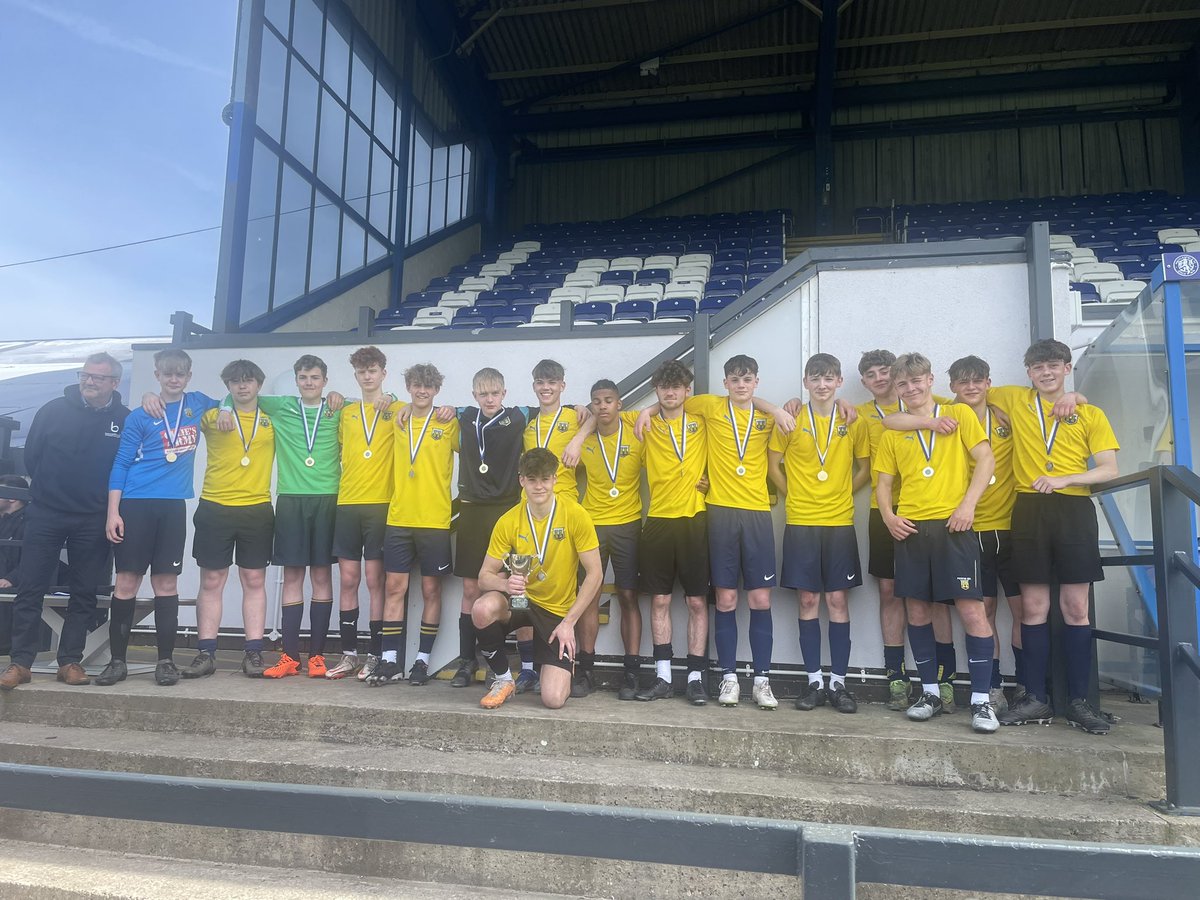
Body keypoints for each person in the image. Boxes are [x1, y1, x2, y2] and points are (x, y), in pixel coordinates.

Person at [637, 354, 795, 710]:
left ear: (756, 382)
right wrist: (646, 411)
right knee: (722, 600)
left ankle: (762, 680)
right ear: (724, 383)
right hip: (718, 513)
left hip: (755, 514)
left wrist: (780, 408)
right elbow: (666, 400)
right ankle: (726, 677)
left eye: (748, 379)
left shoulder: (769, 418)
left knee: (760, 600)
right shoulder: (706, 407)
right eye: (735, 379)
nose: (741, 385)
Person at [989, 340, 1119, 734]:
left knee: (1076, 607)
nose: (1045, 373)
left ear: (1066, 368)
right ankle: (1035, 698)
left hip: (1074, 509)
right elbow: (965, 390)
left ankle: (1079, 701)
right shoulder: (1014, 399)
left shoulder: (1089, 413)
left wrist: (1067, 478)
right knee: (1033, 607)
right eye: (1037, 367)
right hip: (1028, 509)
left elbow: (1109, 469)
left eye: (1053, 366)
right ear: (1028, 372)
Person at [875, 353, 999, 734]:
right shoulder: (893, 430)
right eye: (902, 384)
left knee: (972, 611)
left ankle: (981, 702)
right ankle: (929, 692)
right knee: (916, 611)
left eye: (916, 381)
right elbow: (883, 483)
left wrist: (967, 505)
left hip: (954, 527)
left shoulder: (959, 415)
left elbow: (986, 459)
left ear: (930, 380)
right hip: (912, 529)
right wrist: (889, 517)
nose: (911, 389)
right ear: (896, 389)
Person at [1, 353, 129, 691]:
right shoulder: (52, 410)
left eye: (98, 377)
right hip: (47, 513)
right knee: (31, 588)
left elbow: (126, 467)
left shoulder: (125, 419)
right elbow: (32, 456)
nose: (89, 381)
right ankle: (20, 662)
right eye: (85, 375)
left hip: (93, 518)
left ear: (114, 383)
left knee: (84, 592)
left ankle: (70, 661)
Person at [103, 348, 218, 687]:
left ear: (188, 376)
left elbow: (230, 401)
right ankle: (117, 661)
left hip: (172, 506)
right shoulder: (139, 415)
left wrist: (225, 410)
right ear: (157, 375)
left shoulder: (197, 403)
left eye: (179, 374)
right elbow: (121, 464)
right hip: (135, 504)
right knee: (126, 582)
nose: (173, 379)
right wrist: (113, 513)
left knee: (166, 584)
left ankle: (165, 661)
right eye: (167, 373)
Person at [768, 354, 870, 714]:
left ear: (839, 381)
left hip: (840, 522)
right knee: (809, 600)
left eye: (829, 379)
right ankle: (813, 681)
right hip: (800, 521)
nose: (822, 385)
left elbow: (864, 467)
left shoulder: (852, 419)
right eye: (816, 379)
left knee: (837, 602)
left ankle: (839, 684)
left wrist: (844, 492)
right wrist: (792, 493)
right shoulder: (791, 417)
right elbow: (773, 463)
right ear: (806, 381)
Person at [856, 350, 957, 711]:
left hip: (931, 509)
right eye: (872, 374)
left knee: (936, 597)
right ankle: (896, 675)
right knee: (889, 592)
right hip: (884, 512)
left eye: (886, 371)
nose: (880, 378)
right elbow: (886, 428)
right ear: (864, 381)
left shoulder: (935, 405)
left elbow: (977, 405)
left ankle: (944, 679)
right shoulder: (857, 414)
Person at [472, 448, 603, 710]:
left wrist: (569, 622)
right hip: (522, 603)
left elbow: (595, 574)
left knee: (553, 699)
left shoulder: (575, 514)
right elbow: (483, 577)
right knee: (482, 608)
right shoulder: (508, 520)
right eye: (532, 479)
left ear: (555, 479)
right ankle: (503, 679)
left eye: (545, 479)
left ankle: (562, 668)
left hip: (556, 613)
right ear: (522, 480)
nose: (539, 486)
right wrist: (504, 584)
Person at [244, 356, 344, 679]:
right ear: (296, 380)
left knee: (322, 577)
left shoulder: (337, 407)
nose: (309, 383)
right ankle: (289, 655)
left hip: (327, 500)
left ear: (325, 381)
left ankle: (317, 656)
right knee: (292, 577)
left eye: (315, 377)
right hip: (290, 500)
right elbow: (236, 396)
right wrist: (226, 413)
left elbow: (386, 402)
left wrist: (343, 398)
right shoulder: (282, 406)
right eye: (303, 377)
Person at [182, 360, 276, 679]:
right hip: (215, 507)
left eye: (248, 381)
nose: (242, 386)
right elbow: (185, 400)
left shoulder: (272, 417)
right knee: (211, 581)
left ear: (259, 384)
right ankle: (206, 652)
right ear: (227, 386)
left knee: (254, 581)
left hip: (257, 509)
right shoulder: (212, 417)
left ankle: (253, 653)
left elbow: (310, 401)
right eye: (235, 382)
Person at [368, 364, 460, 686]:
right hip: (399, 519)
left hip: (434, 521)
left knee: (432, 589)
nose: (422, 391)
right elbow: (378, 397)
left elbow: (478, 440)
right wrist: (395, 398)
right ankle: (390, 660)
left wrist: (456, 409)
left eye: (429, 387)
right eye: (417, 385)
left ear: (436, 390)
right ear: (408, 386)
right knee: (394, 588)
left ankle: (421, 662)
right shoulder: (399, 416)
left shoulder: (449, 421)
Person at [630, 361, 711, 705]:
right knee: (660, 600)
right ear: (657, 391)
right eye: (664, 387)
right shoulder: (642, 424)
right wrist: (647, 410)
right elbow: (596, 413)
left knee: (696, 601)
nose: (671, 392)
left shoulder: (703, 421)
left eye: (677, 386)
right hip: (659, 521)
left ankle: (695, 677)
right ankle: (663, 675)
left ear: (687, 390)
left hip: (695, 519)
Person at [944, 355, 1021, 711]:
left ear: (989, 383)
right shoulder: (944, 415)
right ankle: (992, 687)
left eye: (978, 380)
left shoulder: (1006, 406)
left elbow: (1052, 390)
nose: (971, 387)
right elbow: (898, 418)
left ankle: (1028, 686)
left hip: (1011, 525)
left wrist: (1077, 398)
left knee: (1025, 610)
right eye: (963, 382)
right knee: (984, 610)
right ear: (952, 387)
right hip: (970, 528)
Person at [567, 380, 646, 700]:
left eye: (608, 400)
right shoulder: (583, 441)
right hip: (592, 527)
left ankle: (631, 671)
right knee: (589, 596)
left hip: (628, 525)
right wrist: (580, 431)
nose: (602, 406)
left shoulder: (638, 434)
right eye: (596, 401)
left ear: (619, 404)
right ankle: (585, 669)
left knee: (628, 596)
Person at [449, 368, 527, 688]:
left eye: (495, 393)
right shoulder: (463, 417)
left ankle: (528, 661)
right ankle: (467, 661)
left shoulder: (520, 416)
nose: (490, 398)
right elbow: (424, 406)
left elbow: (564, 408)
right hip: (471, 512)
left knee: (517, 587)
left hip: (511, 511)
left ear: (504, 393)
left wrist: (579, 409)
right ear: (474, 395)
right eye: (483, 393)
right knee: (471, 589)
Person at [327, 347, 398, 681]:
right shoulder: (346, 412)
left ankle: (375, 653)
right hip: (347, 504)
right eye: (361, 371)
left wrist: (395, 395)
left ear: (384, 372)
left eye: (373, 370)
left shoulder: (398, 408)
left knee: (375, 581)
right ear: (356, 376)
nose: (367, 376)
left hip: (381, 505)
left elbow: (422, 406)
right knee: (349, 580)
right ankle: (349, 654)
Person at [519, 359, 587, 694]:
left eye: (552, 382)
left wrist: (580, 435)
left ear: (562, 384)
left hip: (566, 513)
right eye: (540, 382)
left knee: (572, 591)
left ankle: (575, 664)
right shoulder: (529, 425)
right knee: (526, 588)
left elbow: (600, 422)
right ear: (534, 386)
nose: (546, 387)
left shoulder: (577, 416)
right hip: (531, 516)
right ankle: (529, 667)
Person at [0, 474, 30, 657]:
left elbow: (35, 557)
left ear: (12, 497)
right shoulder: (5, 519)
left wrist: (11, 578)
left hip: (15, 581)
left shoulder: (29, 521)